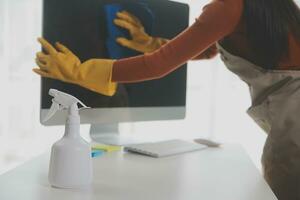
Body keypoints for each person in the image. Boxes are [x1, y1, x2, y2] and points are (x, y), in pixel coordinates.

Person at [33, 0, 300, 199]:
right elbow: (208, 49)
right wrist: (148, 42)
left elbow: (159, 65)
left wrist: (81, 71)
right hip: (291, 108)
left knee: (283, 184)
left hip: (295, 114)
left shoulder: (230, 5)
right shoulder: (270, 6)